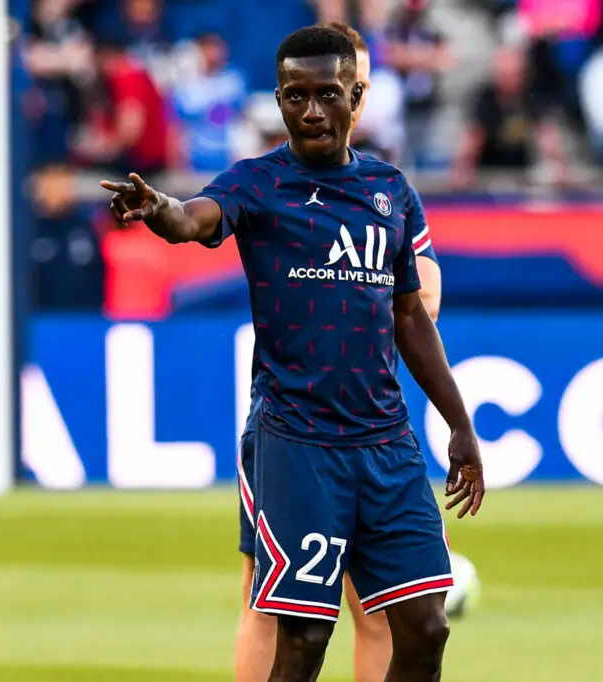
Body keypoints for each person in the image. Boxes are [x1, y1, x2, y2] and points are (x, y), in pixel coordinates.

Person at [101, 25, 484, 682]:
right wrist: (159, 206)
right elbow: (193, 219)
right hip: (298, 442)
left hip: (386, 443)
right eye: (295, 96)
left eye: (327, 94)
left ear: (356, 96)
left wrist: (460, 424)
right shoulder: (258, 183)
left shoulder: (390, 191)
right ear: (278, 101)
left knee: (427, 627)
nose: (310, 110)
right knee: (304, 637)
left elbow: (410, 316)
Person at [233, 22, 443, 682]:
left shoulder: (386, 191)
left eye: (350, 87)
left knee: (379, 611)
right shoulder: (272, 182)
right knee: (271, 602)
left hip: (367, 422)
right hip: (293, 424)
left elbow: (423, 296)